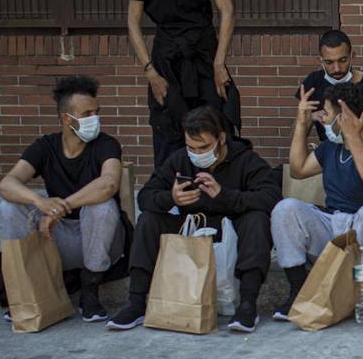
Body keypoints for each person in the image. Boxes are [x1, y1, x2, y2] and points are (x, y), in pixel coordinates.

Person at [106, 107, 279, 334]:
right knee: (149, 219)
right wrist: (172, 198)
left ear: (222, 138)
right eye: (192, 147)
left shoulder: (246, 160)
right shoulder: (179, 159)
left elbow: (271, 197)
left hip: (232, 228)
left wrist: (223, 195)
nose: (197, 153)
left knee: (257, 220)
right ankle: (136, 301)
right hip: (192, 227)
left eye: (204, 147)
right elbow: (147, 196)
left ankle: (248, 304)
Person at [270, 79, 363, 323]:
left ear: (346, 117)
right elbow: (298, 170)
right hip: (335, 228)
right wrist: (302, 125)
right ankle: (298, 291)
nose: (322, 118)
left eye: (328, 113)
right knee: (285, 208)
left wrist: (353, 136)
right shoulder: (330, 147)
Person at [0, 76, 128, 323]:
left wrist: (60, 207)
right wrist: (40, 202)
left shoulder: (106, 144)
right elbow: (7, 184)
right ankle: (28, 292)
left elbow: (109, 183)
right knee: (9, 205)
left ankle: (90, 293)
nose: (95, 119)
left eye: (96, 112)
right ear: (67, 118)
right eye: (87, 113)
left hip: (101, 241)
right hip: (56, 237)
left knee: (101, 206)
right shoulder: (46, 146)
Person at [125, 0, 241, 166]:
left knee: (217, 119)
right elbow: (133, 23)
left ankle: (221, 191)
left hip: (204, 52)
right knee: (169, 128)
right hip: (166, 58)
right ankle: (173, 199)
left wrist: (220, 62)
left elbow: (227, 10)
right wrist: (150, 71)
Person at [295, 28, 363, 152]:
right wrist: (305, 118)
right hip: (331, 159)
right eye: (329, 62)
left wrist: (355, 143)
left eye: (342, 60)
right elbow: (294, 142)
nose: (337, 68)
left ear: (352, 56)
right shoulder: (313, 82)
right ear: (320, 61)